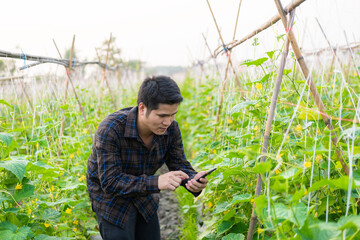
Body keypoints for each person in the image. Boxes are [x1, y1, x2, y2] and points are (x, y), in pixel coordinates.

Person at [86, 75, 209, 240]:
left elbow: (178, 162)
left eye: (173, 115)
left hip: (144, 200)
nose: (168, 122)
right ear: (142, 108)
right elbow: (110, 182)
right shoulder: (111, 129)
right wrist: (157, 182)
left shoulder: (171, 128)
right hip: (112, 203)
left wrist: (193, 180)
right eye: (162, 115)